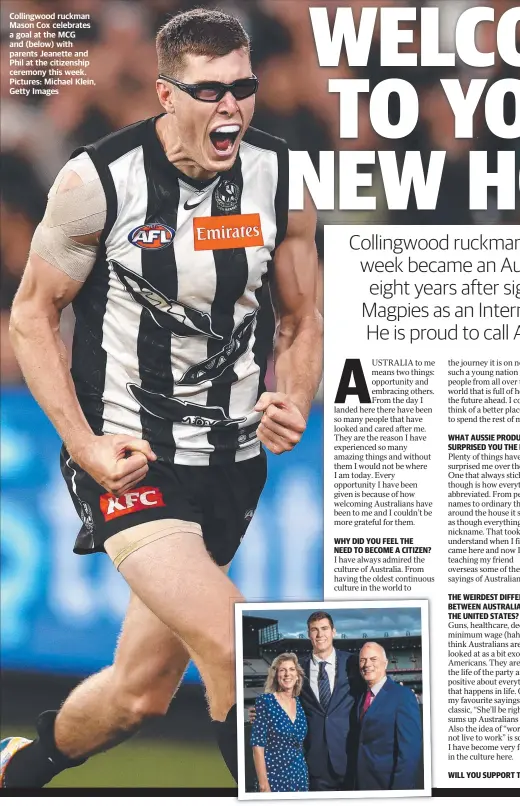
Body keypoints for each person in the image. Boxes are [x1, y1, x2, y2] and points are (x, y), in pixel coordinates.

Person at [1, 8, 322, 789]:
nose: (231, 107)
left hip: (230, 465)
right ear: (164, 94)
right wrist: (82, 444)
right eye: (208, 90)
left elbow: (303, 313)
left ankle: (19, 765)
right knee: (238, 649)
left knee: (137, 694)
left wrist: (299, 395)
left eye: (241, 87)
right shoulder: (96, 180)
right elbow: (33, 315)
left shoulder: (282, 177)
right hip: (129, 460)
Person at [296, 611, 362, 790]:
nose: (320, 634)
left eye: (324, 628)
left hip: (349, 758)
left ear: (334, 631)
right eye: (314, 630)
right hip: (315, 763)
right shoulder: (297, 668)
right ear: (308, 634)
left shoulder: (353, 662)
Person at [355, 642, 422, 791]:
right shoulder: (361, 698)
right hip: (363, 786)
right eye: (362, 660)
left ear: (385, 664)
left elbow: (409, 754)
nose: (367, 664)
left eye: (373, 659)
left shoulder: (403, 696)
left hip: (388, 786)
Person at [251, 653, 308, 792]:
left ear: (297, 675)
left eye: (291, 669)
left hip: (300, 776)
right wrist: (264, 785)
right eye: (282, 670)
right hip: (274, 777)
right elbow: (257, 746)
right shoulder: (265, 702)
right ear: (276, 675)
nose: (287, 674)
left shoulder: (301, 703)